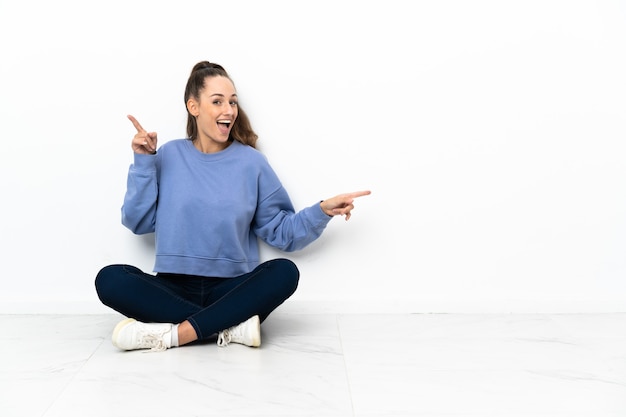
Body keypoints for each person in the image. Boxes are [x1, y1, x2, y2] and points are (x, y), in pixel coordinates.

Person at [95, 61, 370, 352]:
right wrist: (143, 161)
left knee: (284, 273)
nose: (229, 110)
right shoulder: (166, 156)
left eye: (232, 102)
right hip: (172, 288)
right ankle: (227, 327)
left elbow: (282, 232)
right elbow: (137, 222)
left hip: (232, 289)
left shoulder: (251, 163)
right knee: (110, 280)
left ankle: (175, 335)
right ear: (194, 106)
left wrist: (322, 210)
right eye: (217, 101)